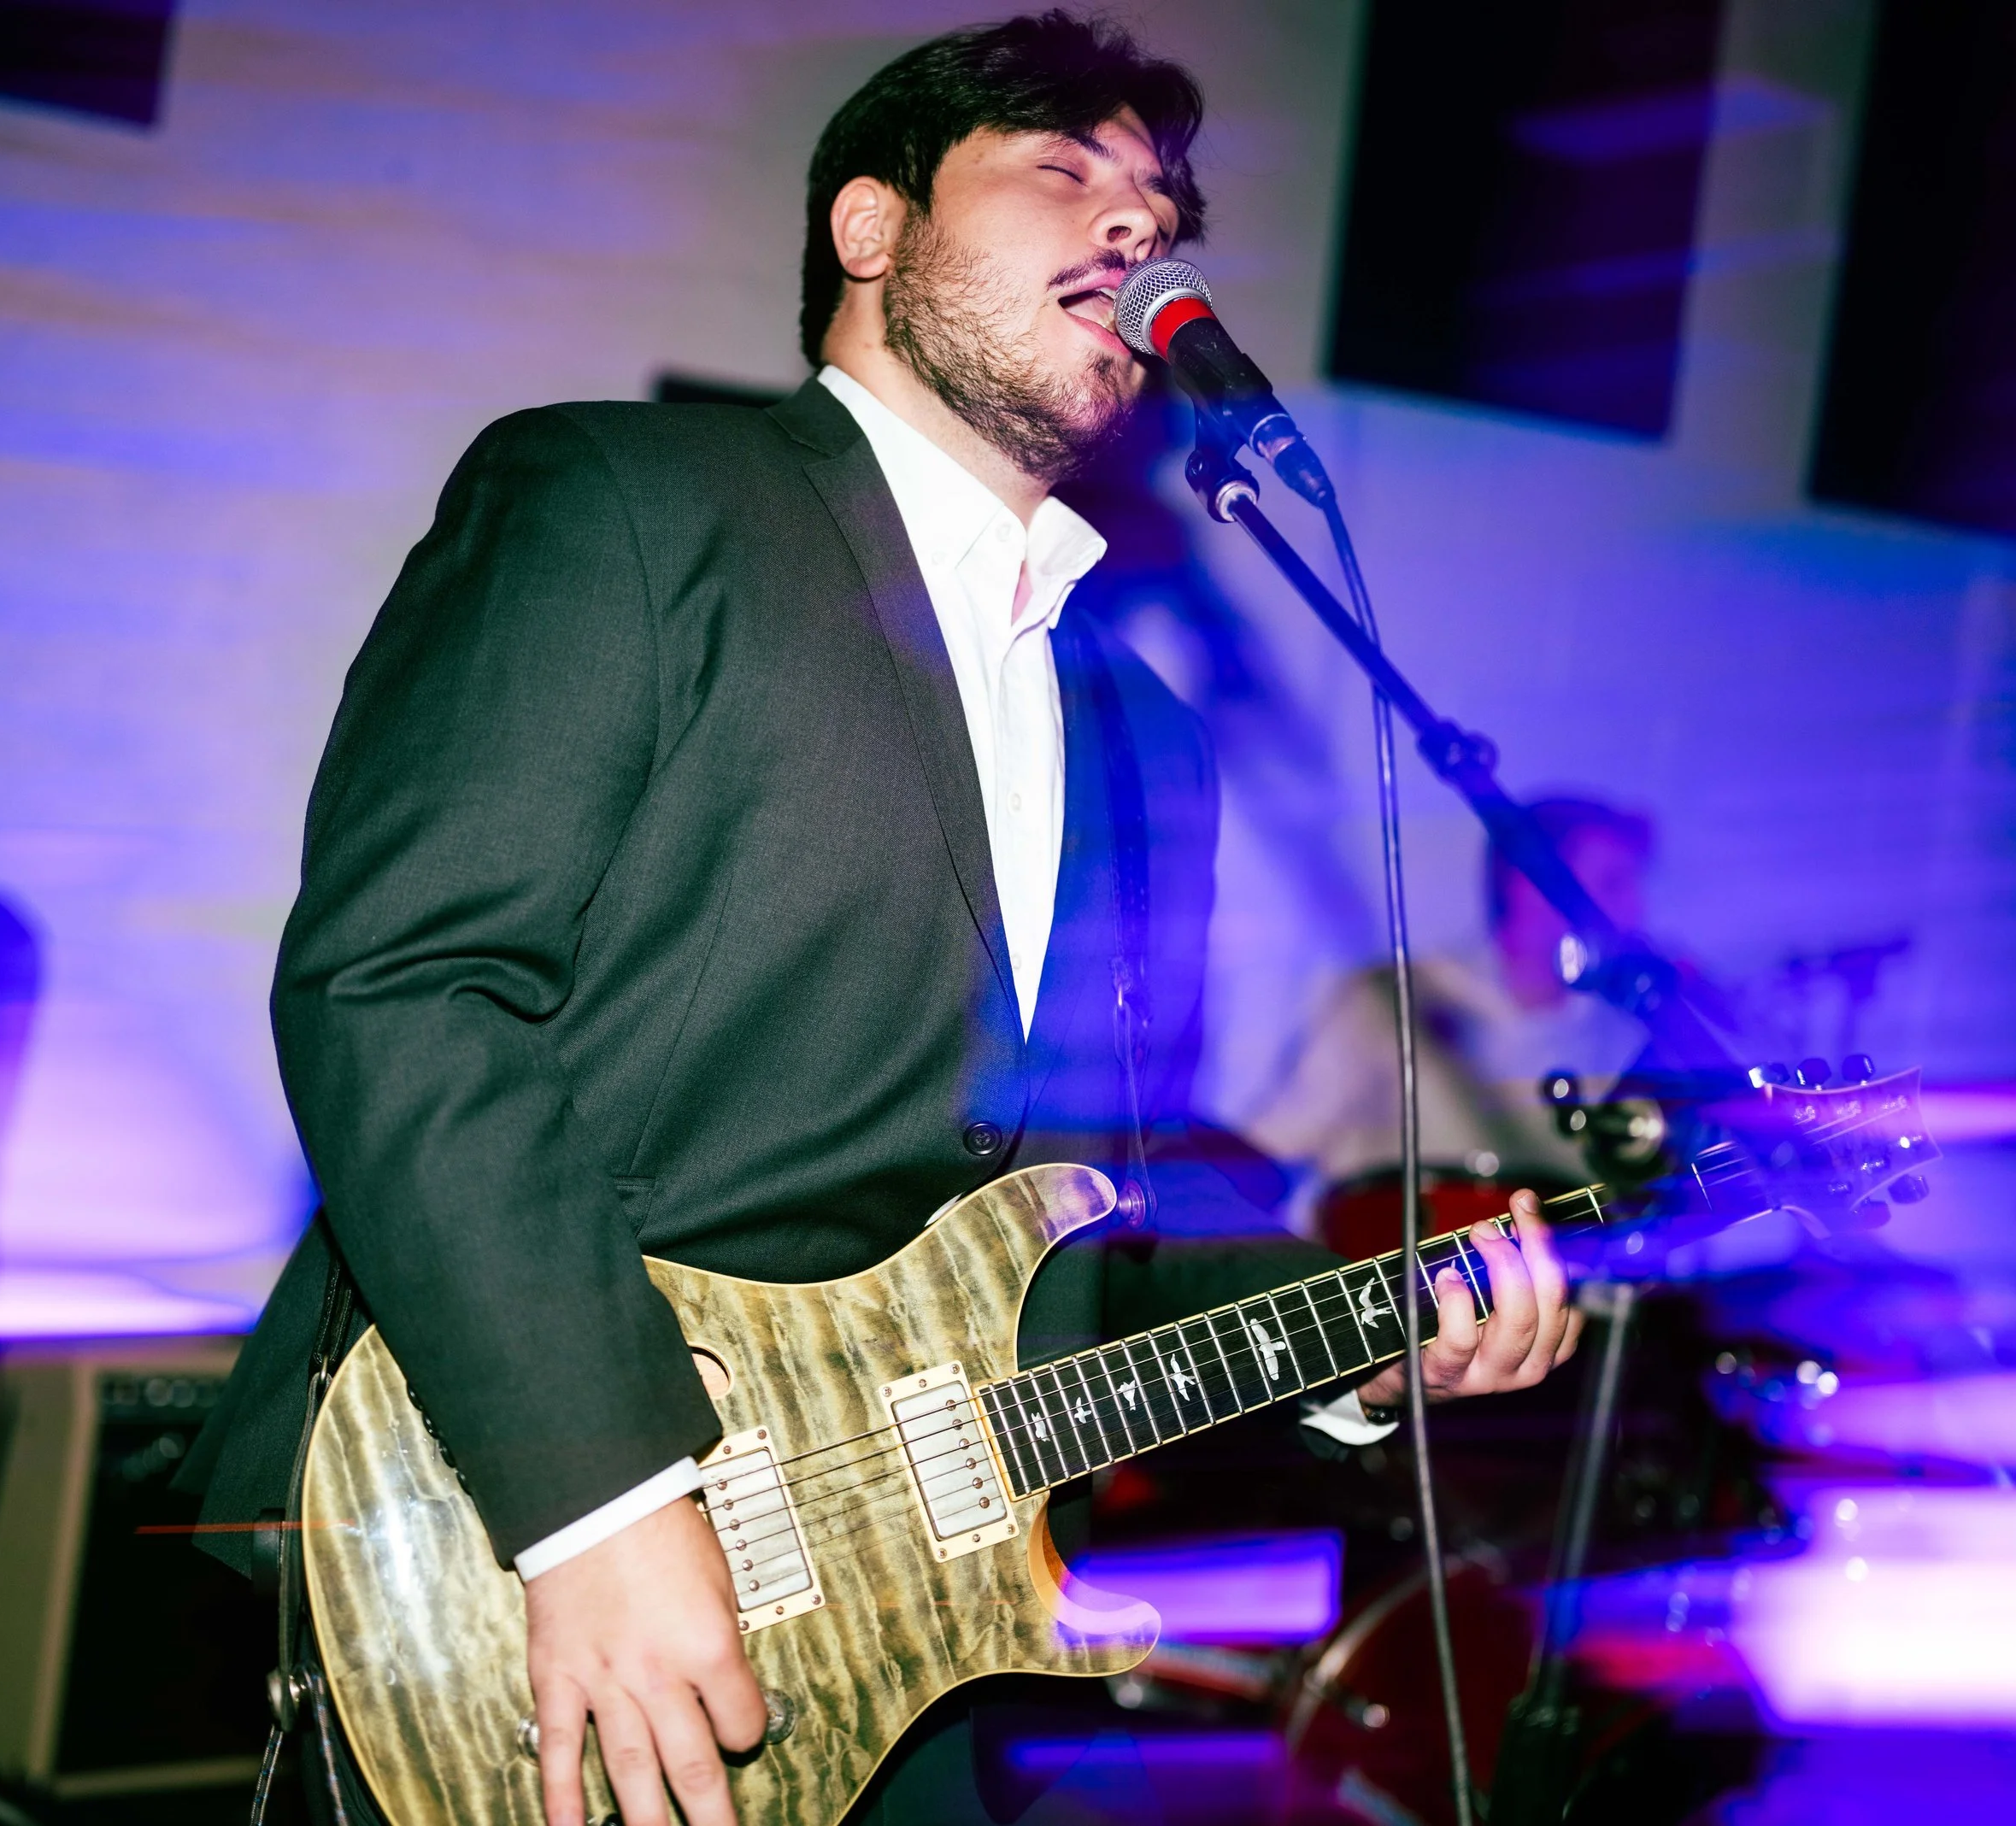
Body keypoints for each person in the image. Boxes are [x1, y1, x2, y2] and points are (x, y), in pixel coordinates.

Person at [179, 16, 1581, 1826]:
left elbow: (1088, 1241)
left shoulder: (1150, 741)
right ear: (870, 228)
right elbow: (404, 989)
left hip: (926, 1654)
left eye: (1156, 214)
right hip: (535, 1554)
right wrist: (599, 1499)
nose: (1129, 234)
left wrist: (1360, 1345)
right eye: (1059, 174)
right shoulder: (628, 498)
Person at [1249, 798, 1660, 1206]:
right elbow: (1271, 1149)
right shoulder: (1393, 1000)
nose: (1635, 910)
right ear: (1527, 887)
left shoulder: (1624, 1039)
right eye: (1613, 884)